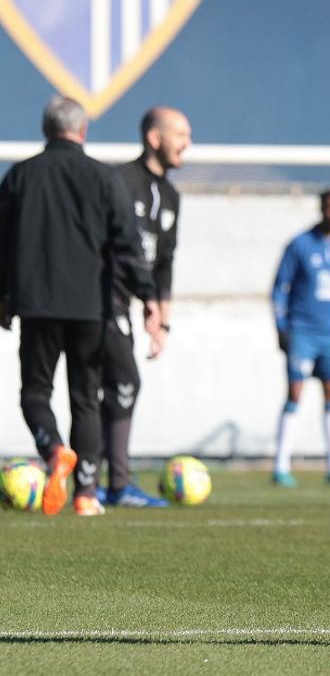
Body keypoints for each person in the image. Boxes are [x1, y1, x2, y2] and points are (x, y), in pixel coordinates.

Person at [0, 96, 161, 516]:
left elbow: (1, 244)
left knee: (35, 392)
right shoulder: (104, 179)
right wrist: (149, 299)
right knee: (86, 398)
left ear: (45, 129)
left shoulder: (20, 176)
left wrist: (2, 296)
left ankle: (54, 450)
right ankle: (87, 493)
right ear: (83, 130)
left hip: (36, 305)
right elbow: (128, 246)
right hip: (92, 307)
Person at [97, 106, 191, 508]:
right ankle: (115, 483)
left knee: (109, 387)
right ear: (155, 138)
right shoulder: (120, 181)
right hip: (102, 297)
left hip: (132, 303)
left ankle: (94, 479)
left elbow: (164, 264)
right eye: (181, 134)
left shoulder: (171, 195)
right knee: (124, 381)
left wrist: (161, 324)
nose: (188, 143)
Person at [271, 190, 330, 488]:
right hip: (301, 331)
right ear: (321, 210)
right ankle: (281, 466)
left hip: (328, 334)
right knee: (296, 393)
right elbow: (278, 289)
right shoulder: (300, 245)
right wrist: (281, 328)